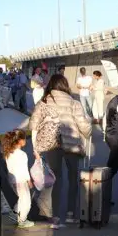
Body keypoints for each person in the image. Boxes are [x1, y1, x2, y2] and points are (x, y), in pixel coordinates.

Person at [30, 74, 91, 227]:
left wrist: (35, 148)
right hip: (72, 145)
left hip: (52, 145)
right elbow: (84, 126)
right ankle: (71, 214)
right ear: (65, 85)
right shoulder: (74, 102)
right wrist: (89, 130)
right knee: (73, 179)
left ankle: (55, 217)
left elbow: (33, 126)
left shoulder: (44, 101)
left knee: (54, 179)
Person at [2, 129, 35, 228]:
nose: (26, 141)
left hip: (12, 180)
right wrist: (29, 181)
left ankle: (15, 213)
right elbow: (24, 170)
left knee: (21, 198)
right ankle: (22, 220)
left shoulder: (8, 153)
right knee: (26, 202)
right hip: (21, 180)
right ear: (20, 141)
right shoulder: (22, 155)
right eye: (24, 139)